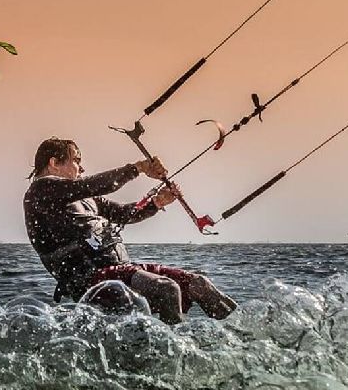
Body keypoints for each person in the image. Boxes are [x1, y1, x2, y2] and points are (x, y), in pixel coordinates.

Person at [23, 136, 237, 324]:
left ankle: (241, 338)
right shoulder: (41, 190)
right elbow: (92, 184)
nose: (82, 168)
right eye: (76, 160)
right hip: (90, 281)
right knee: (166, 288)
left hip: (119, 271)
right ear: (53, 163)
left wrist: (157, 202)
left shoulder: (85, 198)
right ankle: (173, 357)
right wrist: (138, 168)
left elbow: (124, 213)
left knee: (199, 284)